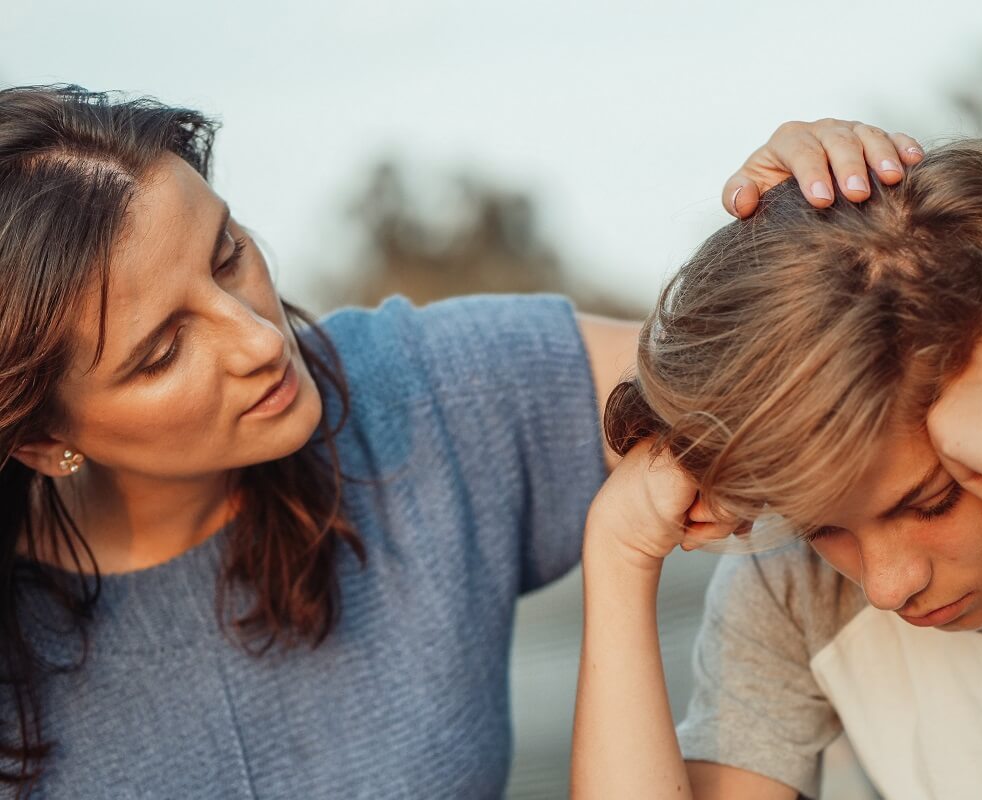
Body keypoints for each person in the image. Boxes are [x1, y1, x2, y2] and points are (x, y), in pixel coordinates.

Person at [0, 85, 922, 798]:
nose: (259, 340)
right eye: (163, 351)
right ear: (42, 438)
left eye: (228, 254)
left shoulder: (430, 390)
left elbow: (780, 374)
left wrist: (820, 229)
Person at [571, 139, 982, 799]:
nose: (887, 586)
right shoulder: (790, 582)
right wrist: (618, 551)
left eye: (928, 504)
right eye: (823, 528)